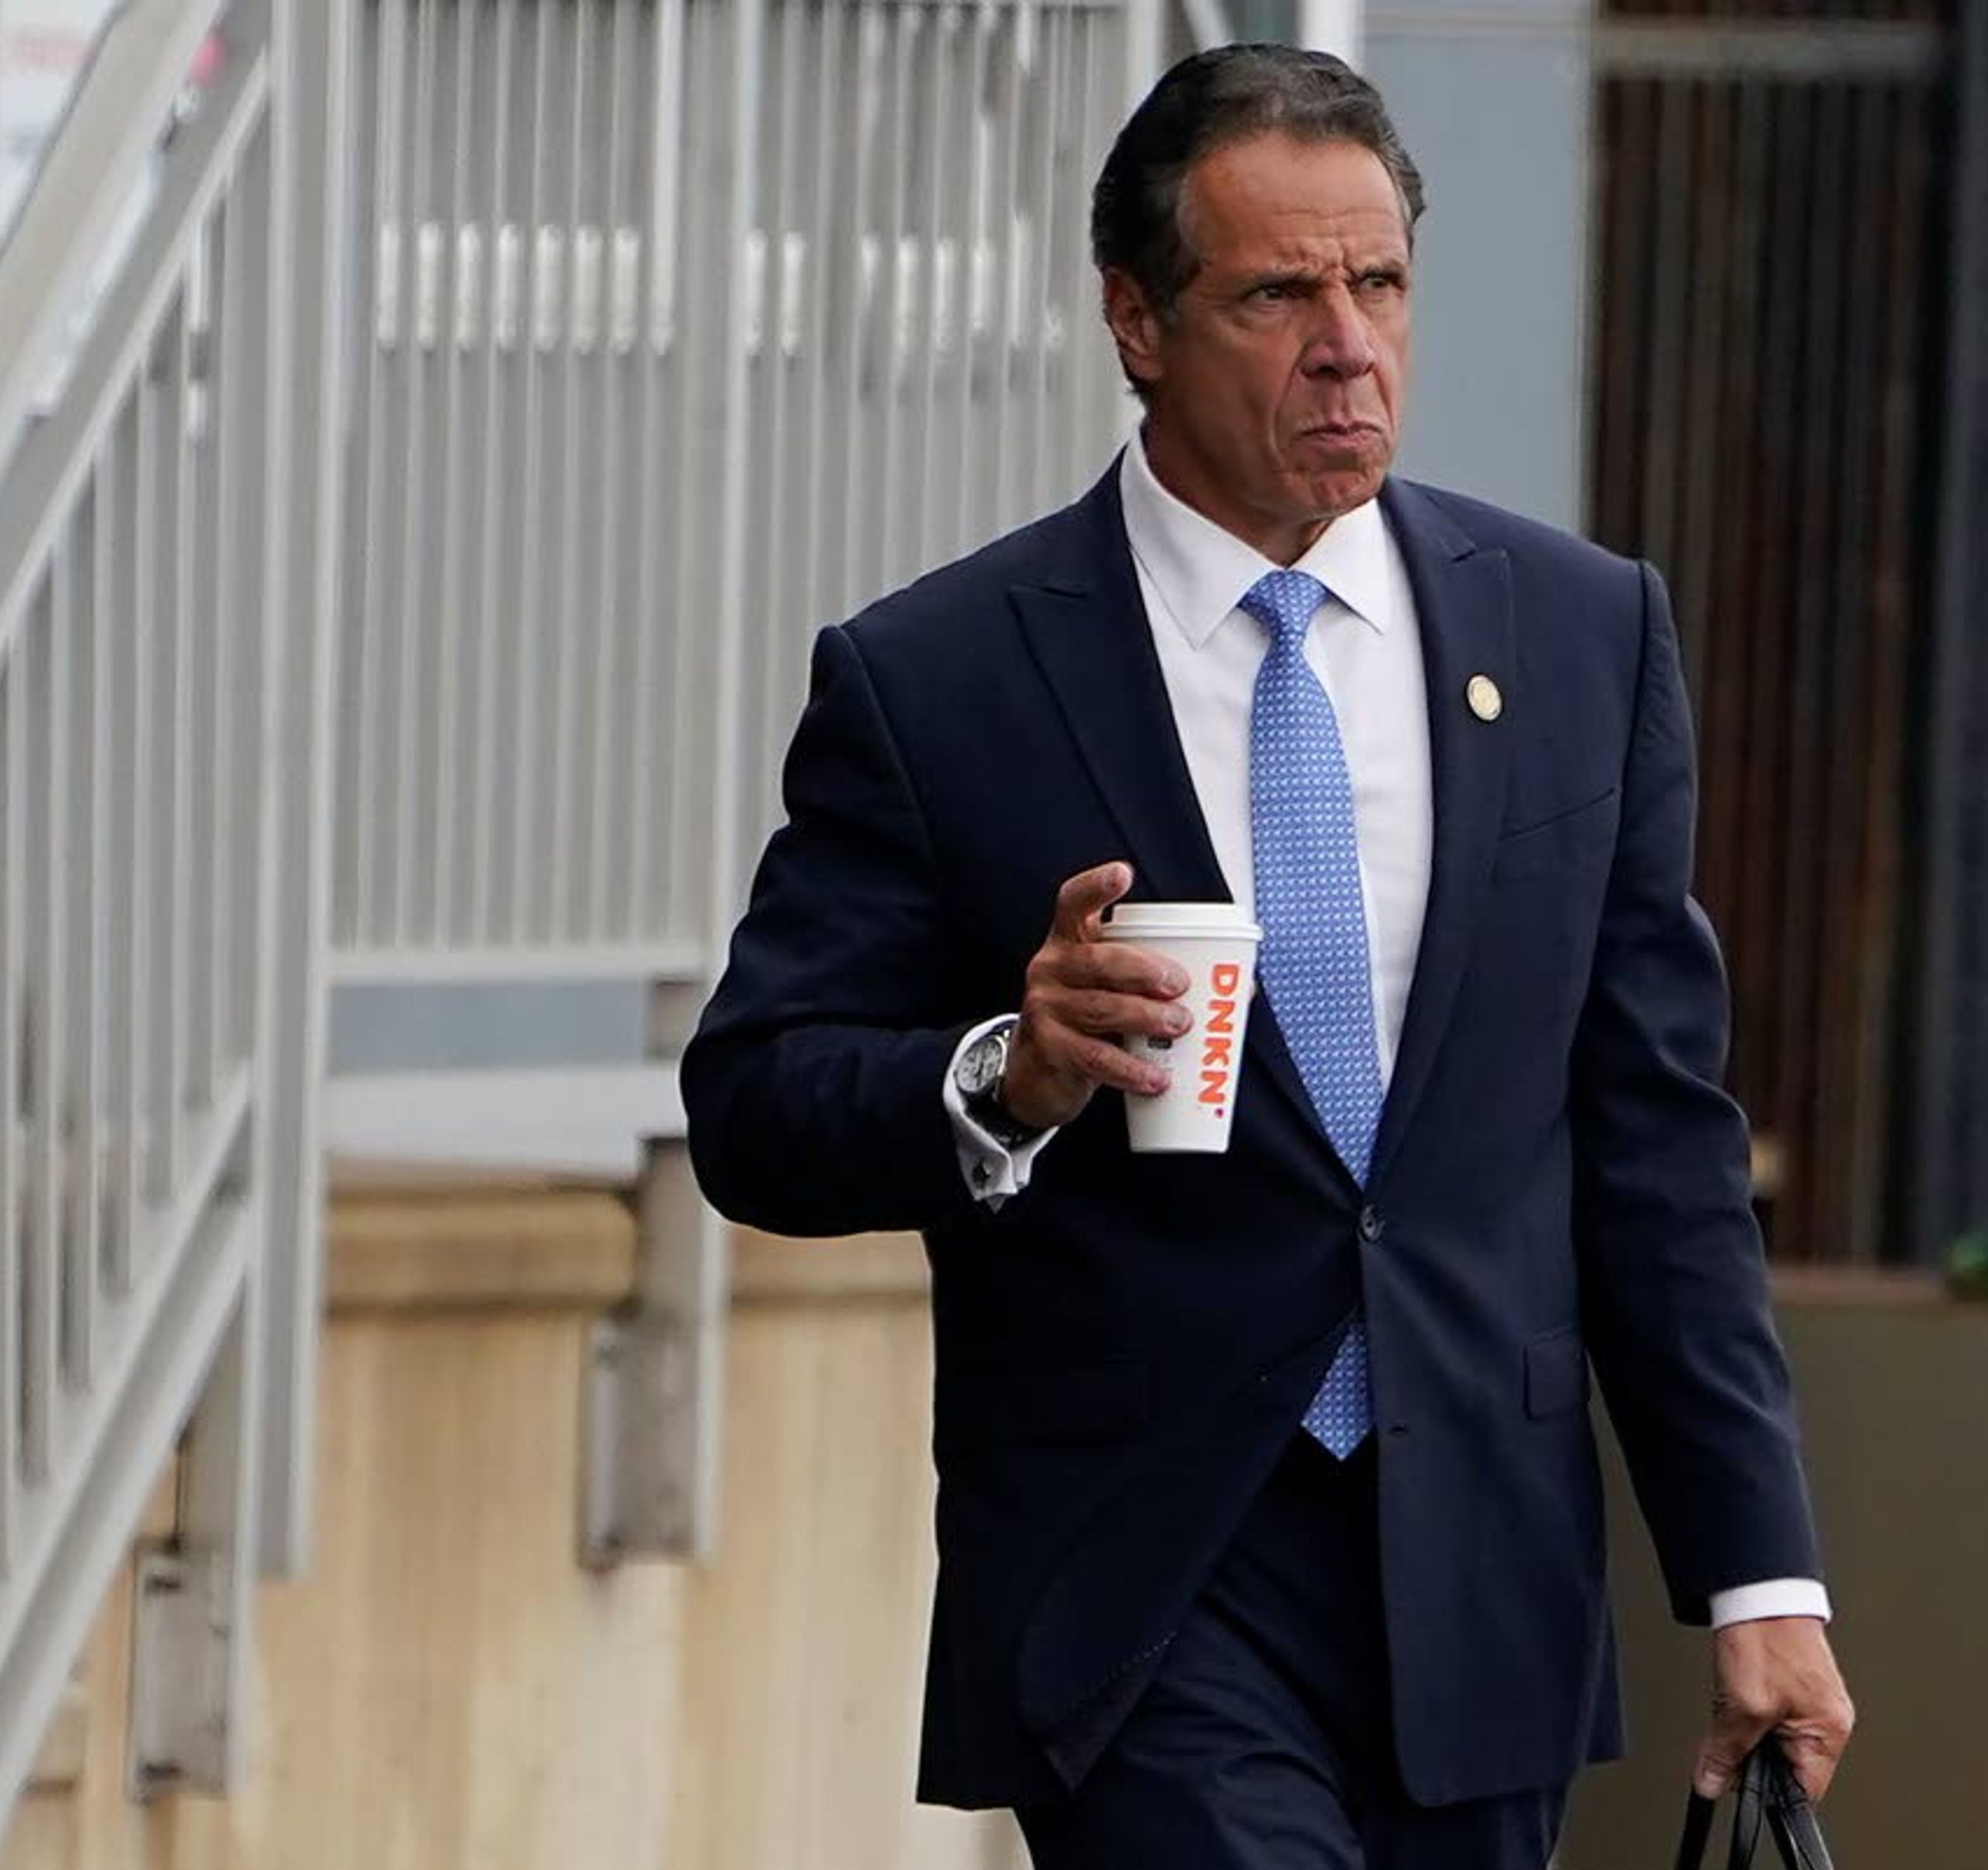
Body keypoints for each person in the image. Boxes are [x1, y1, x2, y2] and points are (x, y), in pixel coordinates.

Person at [681, 43, 1854, 1870]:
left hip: (1479, 1567)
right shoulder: (944, 678)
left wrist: (1759, 1570)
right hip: (1150, 1577)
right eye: (1278, 294)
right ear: (1137, 322)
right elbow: (754, 1101)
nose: (1348, 344)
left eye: (1378, 282)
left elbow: (1654, 1141)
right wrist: (1014, 1070)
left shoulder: (1578, 635)